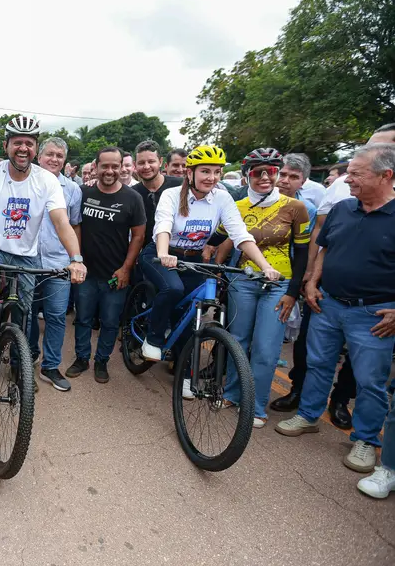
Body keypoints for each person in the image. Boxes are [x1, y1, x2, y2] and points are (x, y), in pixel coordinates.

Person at [275, 143, 395, 475]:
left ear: (386, 175)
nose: (348, 179)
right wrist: (312, 282)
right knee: (318, 364)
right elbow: (325, 248)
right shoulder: (343, 208)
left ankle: (366, 440)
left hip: (374, 314)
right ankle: (309, 415)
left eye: (356, 173)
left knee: (370, 381)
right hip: (327, 303)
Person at [139, 145, 281, 376]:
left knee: (190, 313)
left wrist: (265, 266)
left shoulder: (223, 198)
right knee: (173, 288)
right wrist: (164, 253)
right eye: (205, 171)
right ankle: (153, 338)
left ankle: (185, 374)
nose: (212, 177)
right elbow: (162, 226)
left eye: (217, 172)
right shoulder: (172, 194)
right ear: (190, 172)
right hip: (159, 255)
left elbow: (240, 234)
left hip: (194, 260)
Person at [0, 116, 87, 350]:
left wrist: (76, 259)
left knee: (25, 311)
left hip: (26, 251)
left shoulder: (46, 180)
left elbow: (62, 222)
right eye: (17, 142)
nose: (23, 148)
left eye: (29, 143)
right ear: (6, 146)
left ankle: (20, 365)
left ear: (35, 148)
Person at [212, 148, 310, 429]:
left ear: (278, 173)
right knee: (237, 340)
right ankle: (231, 394)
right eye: (257, 172)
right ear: (247, 176)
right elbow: (216, 237)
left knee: (267, 349)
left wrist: (293, 293)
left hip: (278, 286)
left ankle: (255, 405)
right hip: (242, 281)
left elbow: (302, 254)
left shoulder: (296, 208)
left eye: (271, 171)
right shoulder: (237, 206)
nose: (265, 177)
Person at [65, 146, 145, 383]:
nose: (110, 171)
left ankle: (102, 361)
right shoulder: (83, 193)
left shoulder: (133, 198)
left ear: (121, 168)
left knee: (110, 322)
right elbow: (73, 226)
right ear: (96, 167)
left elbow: (138, 237)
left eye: (115, 166)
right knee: (83, 319)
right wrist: (75, 259)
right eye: (105, 166)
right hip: (86, 271)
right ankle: (81, 358)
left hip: (115, 273)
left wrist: (126, 268)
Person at [26, 137, 83, 391]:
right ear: (39, 156)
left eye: (60, 156)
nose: (54, 159)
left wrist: (75, 259)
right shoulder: (24, 180)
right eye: (50, 154)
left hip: (58, 262)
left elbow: (74, 226)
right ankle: (26, 360)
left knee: (57, 316)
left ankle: (50, 366)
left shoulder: (72, 189)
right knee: (26, 314)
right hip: (26, 260)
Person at [129, 141, 183, 252]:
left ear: (160, 161)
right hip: (148, 255)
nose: (146, 166)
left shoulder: (180, 185)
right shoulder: (131, 194)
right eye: (141, 162)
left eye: (151, 161)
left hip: (180, 251)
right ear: (135, 165)